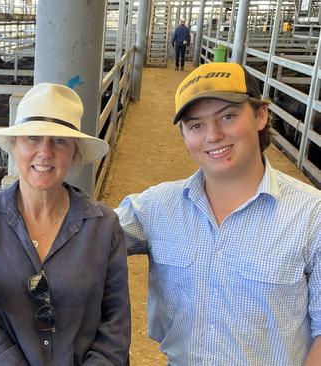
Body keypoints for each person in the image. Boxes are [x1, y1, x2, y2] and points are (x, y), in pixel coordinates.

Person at [115, 62, 321, 364]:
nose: (213, 135)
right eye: (196, 125)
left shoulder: (311, 215)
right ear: (184, 137)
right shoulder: (156, 208)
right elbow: (83, 235)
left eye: (228, 116)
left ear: (261, 116)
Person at [0, 83, 131, 365]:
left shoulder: (103, 226)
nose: (45, 152)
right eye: (32, 138)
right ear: (15, 146)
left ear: (74, 153)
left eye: (59, 141)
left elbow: (117, 319)